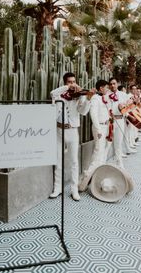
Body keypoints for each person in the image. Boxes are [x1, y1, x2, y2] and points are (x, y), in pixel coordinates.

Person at [50, 72, 93, 201]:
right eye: (69, 82)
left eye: (74, 82)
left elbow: (83, 111)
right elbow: (52, 93)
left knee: (74, 161)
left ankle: (74, 189)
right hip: (58, 130)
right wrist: (68, 88)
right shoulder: (59, 95)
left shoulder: (78, 96)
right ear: (65, 83)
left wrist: (88, 98)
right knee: (58, 160)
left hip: (73, 131)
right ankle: (57, 188)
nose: (72, 84)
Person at [78, 79, 111, 192]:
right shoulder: (96, 98)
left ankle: (96, 175)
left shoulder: (104, 98)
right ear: (101, 88)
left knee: (102, 153)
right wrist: (98, 129)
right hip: (99, 127)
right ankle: (86, 178)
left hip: (106, 126)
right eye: (106, 87)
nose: (108, 89)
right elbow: (93, 114)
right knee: (98, 151)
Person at [106, 77, 130, 167]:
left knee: (118, 143)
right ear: (109, 85)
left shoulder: (123, 95)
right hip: (110, 121)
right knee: (107, 144)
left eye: (114, 83)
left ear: (117, 84)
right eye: (111, 84)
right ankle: (102, 164)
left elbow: (129, 107)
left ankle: (119, 164)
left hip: (120, 120)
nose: (112, 86)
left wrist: (124, 108)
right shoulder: (106, 95)